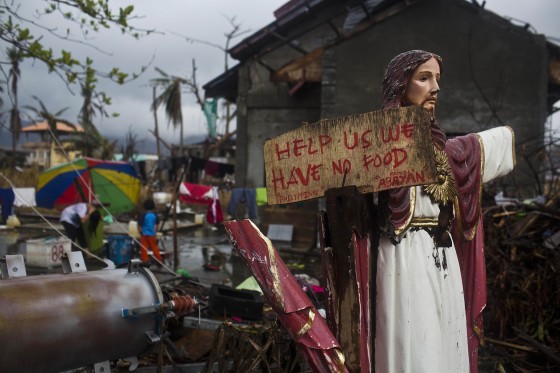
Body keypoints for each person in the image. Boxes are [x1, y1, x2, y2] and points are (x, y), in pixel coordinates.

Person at [375, 50, 515, 373]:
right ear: (400, 85)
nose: (435, 88)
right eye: (424, 78)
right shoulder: (379, 145)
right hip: (404, 255)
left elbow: (466, 152)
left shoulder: (441, 147)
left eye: (438, 79)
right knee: (416, 341)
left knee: (446, 340)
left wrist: (502, 140)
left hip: (443, 254)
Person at [138, 199, 163, 263]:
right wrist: (155, 231)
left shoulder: (143, 215)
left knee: (144, 247)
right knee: (154, 247)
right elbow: (157, 224)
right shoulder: (155, 215)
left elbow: (139, 225)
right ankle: (159, 259)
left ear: (145, 207)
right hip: (152, 234)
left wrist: (140, 232)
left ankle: (144, 259)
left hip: (144, 234)